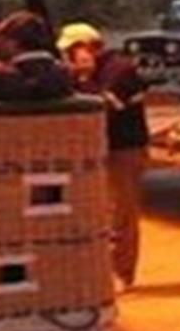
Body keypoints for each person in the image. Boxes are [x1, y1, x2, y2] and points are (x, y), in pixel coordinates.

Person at [58, 22, 149, 289]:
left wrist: (83, 79)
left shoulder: (119, 70)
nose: (68, 60)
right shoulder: (91, 73)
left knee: (120, 212)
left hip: (124, 149)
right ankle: (103, 268)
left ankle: (122, 272)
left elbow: (101, 106)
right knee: (100, 211)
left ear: (84, 48)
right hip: (101, 149)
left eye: (69, 53)